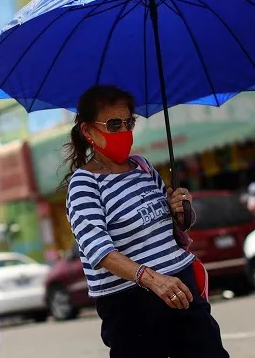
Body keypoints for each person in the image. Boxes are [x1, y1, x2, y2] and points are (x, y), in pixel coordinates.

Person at [62, 85, 229, 358]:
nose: (124, 132)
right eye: (113, 124)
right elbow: (99, 251)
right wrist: (153, 280)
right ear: (88, 131)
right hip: (132, 303)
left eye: (129, 122)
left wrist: (180, 209)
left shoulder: (142, 166)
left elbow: (174, 227)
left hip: (181, 287)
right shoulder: (84, 183)